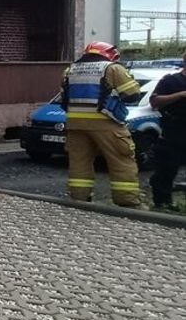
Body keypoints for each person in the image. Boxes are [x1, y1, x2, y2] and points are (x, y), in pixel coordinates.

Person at [60, 41, 144, 206]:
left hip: (75, 124)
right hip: (107, 124)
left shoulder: (70, 70)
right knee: (121, 161)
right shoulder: (112, 68)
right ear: (110, 54)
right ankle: (127, 202)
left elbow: (64, 98)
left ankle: (79, 200)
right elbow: (132, 94)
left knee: (79, 163)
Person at [150, 50, 186, 212]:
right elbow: (155, 102)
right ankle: (162, 202)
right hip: (174, 131)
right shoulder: (171, 81)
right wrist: (179, 95)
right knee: (167, 169)